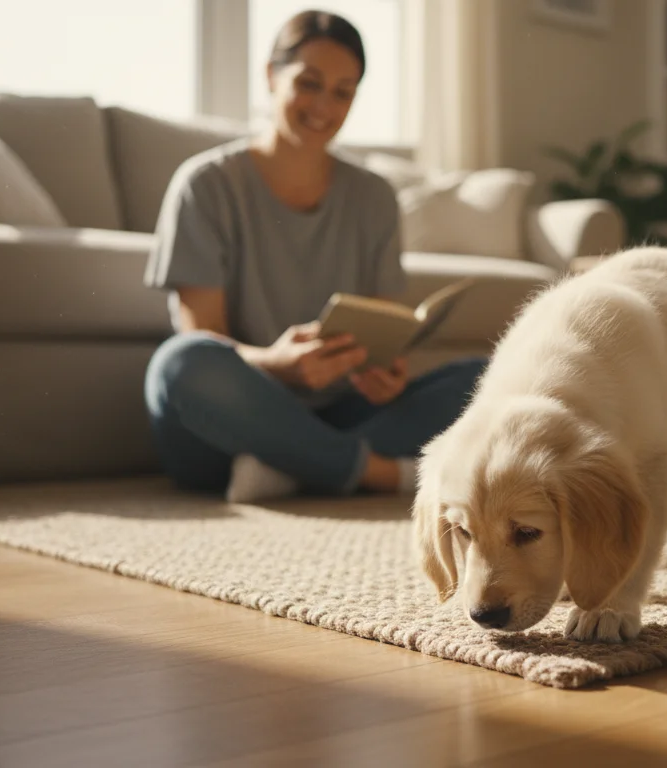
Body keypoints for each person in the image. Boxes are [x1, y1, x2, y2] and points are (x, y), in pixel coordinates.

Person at [142, 10, 486, 503]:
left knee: (483, 377)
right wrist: (277, 365)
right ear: (270, 76)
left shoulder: (374, 198)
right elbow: (202, 336)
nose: (324, 105)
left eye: (343, 92)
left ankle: (288, 468)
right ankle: (379, 473)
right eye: (309, 83)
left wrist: (384, 376)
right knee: (180, 364)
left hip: (336, 410)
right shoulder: (205, 186)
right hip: (234, 422)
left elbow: (382, 333)